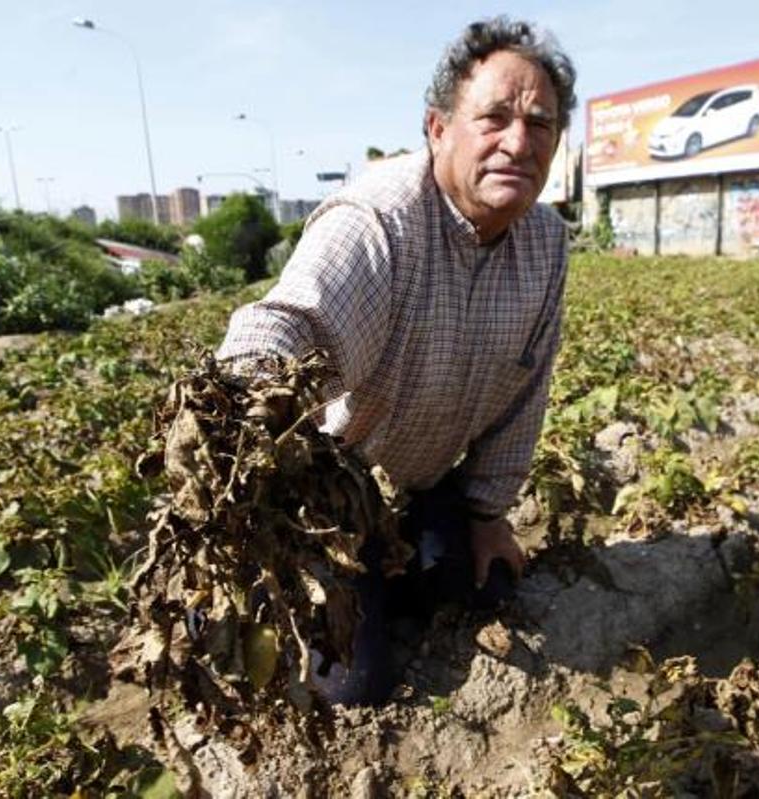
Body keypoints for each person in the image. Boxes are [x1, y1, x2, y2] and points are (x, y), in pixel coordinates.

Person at [217, 16, 576, 704]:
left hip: (422, 483)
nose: (518, 142)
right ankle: (277, 586)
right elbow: (289, 326)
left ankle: (397, 568)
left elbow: (528, 389)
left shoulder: (547, 244)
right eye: (494, 117)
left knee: (482, 588)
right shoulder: (380, 221)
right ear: (439, 128)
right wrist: (233, 407)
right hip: (332, 497)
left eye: (540, 124)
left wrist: (489, 514)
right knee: (353, 688)